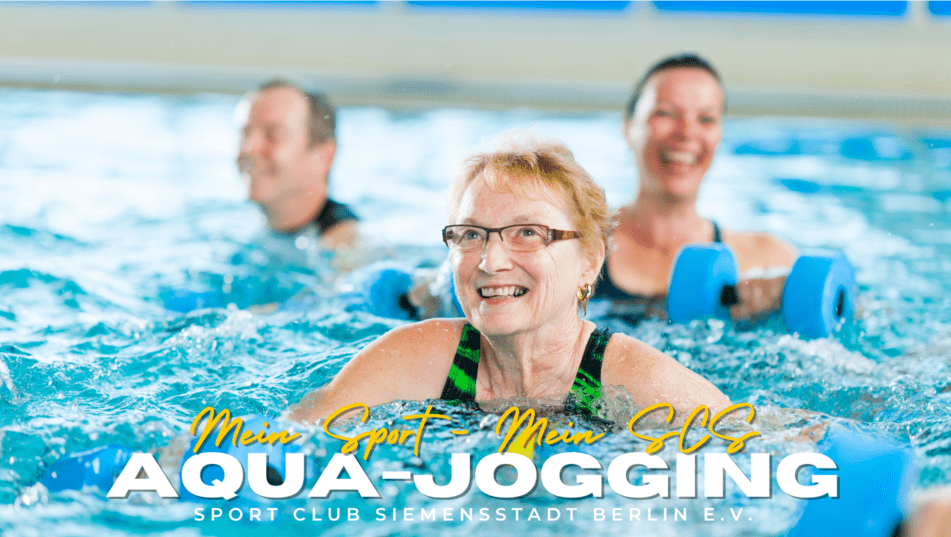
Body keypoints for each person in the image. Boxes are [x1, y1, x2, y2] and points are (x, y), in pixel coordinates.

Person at [288, 133, 730, 423]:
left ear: (590, 261)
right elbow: (292, 436)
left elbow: (764, 446)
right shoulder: (417, 359)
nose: (490, 260)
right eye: (471, 235)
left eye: (528, 233)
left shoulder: (635, 381)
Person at [596, 54, 797, 322]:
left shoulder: (767, 259)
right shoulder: (577, 250)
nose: (687, 132)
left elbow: (850, 311)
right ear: (629, 128)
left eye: (706, 119)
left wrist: (784, 299)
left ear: (719, 136)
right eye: (666, 113)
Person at [236, 80, 358, 249]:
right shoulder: (246, 225)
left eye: (273, 135)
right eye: (245, 134)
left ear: (324, 156)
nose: (249, 149)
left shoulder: (348, 251)